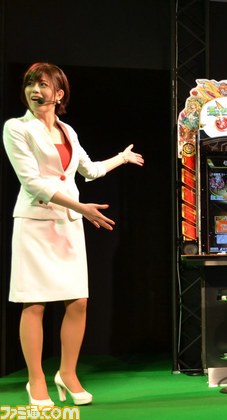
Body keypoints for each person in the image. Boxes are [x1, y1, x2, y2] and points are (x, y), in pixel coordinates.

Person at [2, 63, 144, 407]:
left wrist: (121, 158)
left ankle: (67, 373)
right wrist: (82, 208)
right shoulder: (17, 128)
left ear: (59, 93)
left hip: (67, 223)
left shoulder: (68, 131)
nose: (35, 91)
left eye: (43, 85)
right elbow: (32, 182)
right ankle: (36, 380)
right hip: (35, 221)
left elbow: (89, 170)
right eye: (30, 84)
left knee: (78, 301)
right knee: (34, 302)